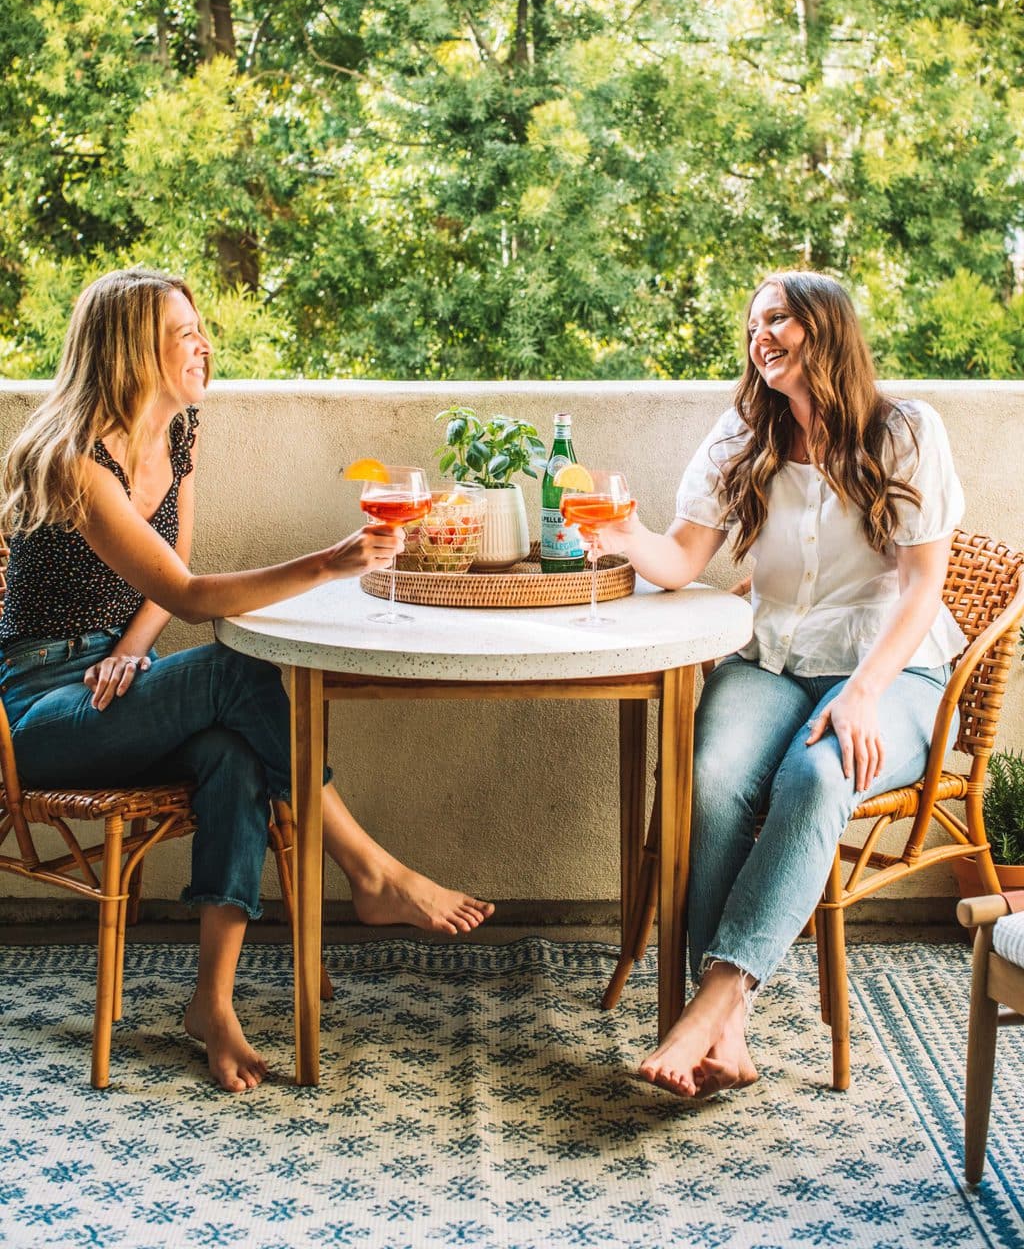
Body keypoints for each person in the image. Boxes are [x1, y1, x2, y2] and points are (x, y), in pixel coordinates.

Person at [0, 267, 494, 1093]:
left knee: (233, 750)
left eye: (201, 328)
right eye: (182, 331)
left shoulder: (180, 436)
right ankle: (370, 869)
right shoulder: (73, 460)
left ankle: (212, 1003)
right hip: (43, 711)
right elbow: (193, 596)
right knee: (241, 667)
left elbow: (168, 576)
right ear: (130, 349)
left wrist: (131, 644)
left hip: (119, 680)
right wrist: (331, 565)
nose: (203, 344)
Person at [599, 270, 965, 1099]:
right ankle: (723, 1037)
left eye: (778, 319)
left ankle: (716, 1004)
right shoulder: (743, 430)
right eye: (754, 322)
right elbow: (683, 559)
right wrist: (620, 533)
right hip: (773, 660)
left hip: (889, 667)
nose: (760, 335)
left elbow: (922, 587)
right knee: (712, 778)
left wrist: (864, 693)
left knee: (816, 777)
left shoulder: (906, 430)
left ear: (824, 327)